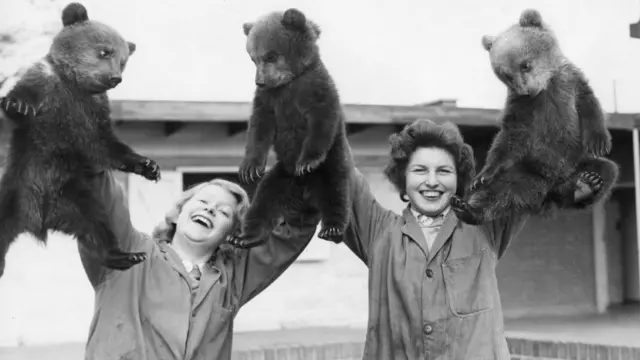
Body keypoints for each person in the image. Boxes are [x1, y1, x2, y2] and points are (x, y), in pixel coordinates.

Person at [342, 119, 602, 360]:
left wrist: (570, 191)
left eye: (444, 171)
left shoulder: (484, 227)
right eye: (420, 170)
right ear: (404, 178)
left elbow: (530, 177)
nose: (432, 181)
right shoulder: (378, 231)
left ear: (458, 179)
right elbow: (337, 169)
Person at [78, 172, 320, 360]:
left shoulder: (232, 279)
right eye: (203, 201)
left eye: (224, 213)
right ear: (177, 213)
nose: (210, 208)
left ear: (230, 235)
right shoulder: (131, 254)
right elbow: (102, 205)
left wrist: (313, 171)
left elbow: (288, 232)